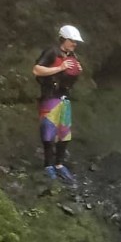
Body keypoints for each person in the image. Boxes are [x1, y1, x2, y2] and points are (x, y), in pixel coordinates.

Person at [32, 24, 84, 184]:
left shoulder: (73, 56)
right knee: (48, 132)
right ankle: (48, 165)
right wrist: (60, 68)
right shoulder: (51, 52)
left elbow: (69, 77)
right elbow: (36, 70)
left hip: (64, 98)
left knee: (64, 133)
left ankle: (60, 164)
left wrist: (77, 71)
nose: (74, 44)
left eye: (75, 42)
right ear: (64, 39)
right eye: (72, 41)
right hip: (50, 97)